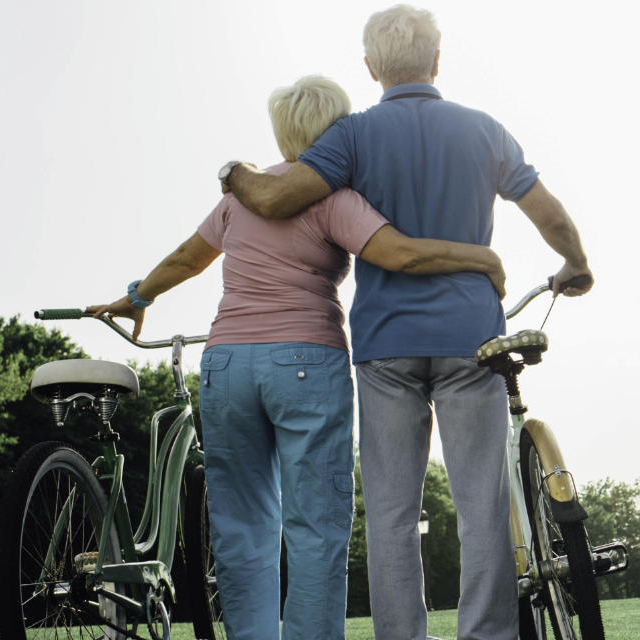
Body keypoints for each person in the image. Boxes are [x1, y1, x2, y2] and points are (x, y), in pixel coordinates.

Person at [87, 75, 507, 640]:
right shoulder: (336, 198)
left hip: (227, 365)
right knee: (315, 528)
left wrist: (136, 297)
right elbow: (401, 255)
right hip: (306, 363)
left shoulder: (238, 198)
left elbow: (189, 258)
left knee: (239, 529)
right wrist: (480, 258)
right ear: (336, 130)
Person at [220, 6, 592, 639]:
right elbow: (545, 209)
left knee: (392, 514)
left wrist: (232, 171)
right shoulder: (483, 129)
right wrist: (574, 263)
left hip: (384, 347)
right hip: (471, 339)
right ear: (437, 59)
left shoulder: (354, 135)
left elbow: (278, 198)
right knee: (482, 505)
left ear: (370, 68)